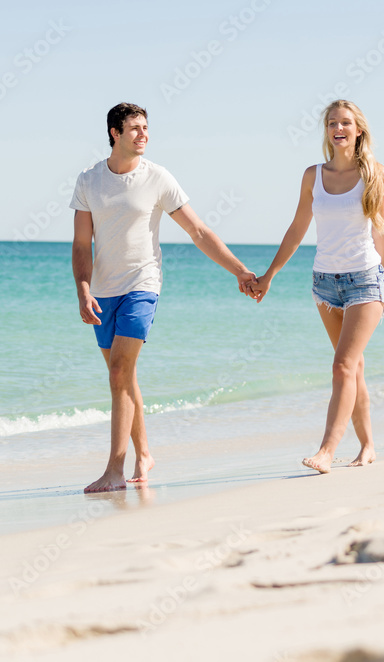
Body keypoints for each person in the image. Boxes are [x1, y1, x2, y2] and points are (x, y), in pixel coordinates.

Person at [71, 102, 258, 493]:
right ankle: (146, 453)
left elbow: (200, 231)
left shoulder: (158, 178)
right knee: (122, 376)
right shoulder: (89, 181)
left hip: (143, 284)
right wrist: (83, 289)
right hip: (104, 293)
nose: (144, 135)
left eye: (146, 127)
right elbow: (80, 245)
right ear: (114, 134)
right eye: (135, 128)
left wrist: (240, 270)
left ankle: (113, 471)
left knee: (120, 373)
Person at [251, 99, 384, 474]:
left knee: (342, 365)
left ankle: (327, 449)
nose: (338, 128)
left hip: (365, 279)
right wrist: (269, 274)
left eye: (345, 122)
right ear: (327, 131)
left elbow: (382, 231)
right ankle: (368, 446)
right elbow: (298, 229)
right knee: (353, 368)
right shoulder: (313, 176)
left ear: (358, 130)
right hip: (325, 283)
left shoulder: (376, 174)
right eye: (332, 123)